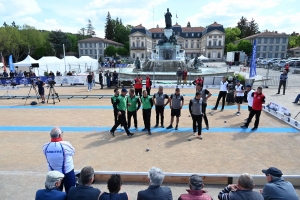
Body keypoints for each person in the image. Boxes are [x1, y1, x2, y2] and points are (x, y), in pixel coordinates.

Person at [42, 127, 76, 193]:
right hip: (67, 172)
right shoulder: (66, 145)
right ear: (60, 135)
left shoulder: (45, 146)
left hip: (54, 174)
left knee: (55, 194)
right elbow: (73, 152)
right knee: (70, 192)